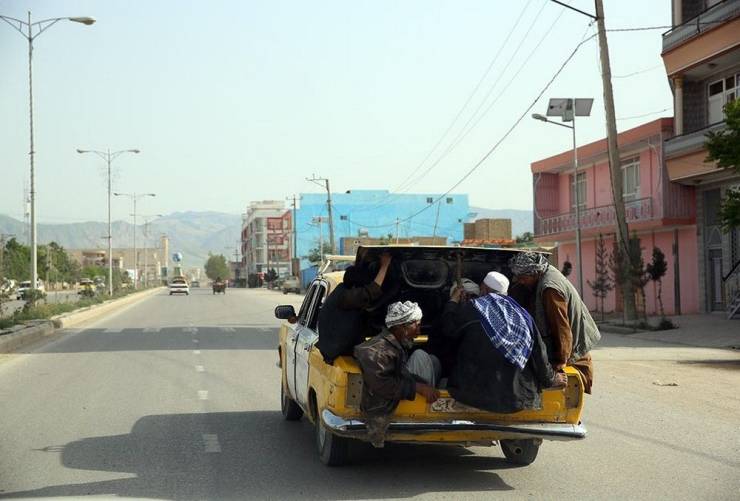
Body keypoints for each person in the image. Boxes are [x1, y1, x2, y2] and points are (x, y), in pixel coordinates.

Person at [440, 272, 564, 413]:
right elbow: (539, 354)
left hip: (472, 396)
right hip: (516, 399)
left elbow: (448, 331)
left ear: (484, 289)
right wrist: (551, 378)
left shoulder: (471, 309)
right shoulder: (523, 316)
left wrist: (453, 302)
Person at [508, 251, 600, 393]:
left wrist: (559, 364)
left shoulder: (550, 290)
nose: (519, 281)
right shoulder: (544, 271)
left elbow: (562, 329)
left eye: (522, 278)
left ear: (535, 273)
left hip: (571, 350)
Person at [354, 301, 440, 447]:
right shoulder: (378, 352)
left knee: (433, 362)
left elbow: (401, 374)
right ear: (401, 327)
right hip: (379, 410)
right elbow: (383, 385)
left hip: (391, 399)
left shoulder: (394, 345)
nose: (419, 331)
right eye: (416, 325)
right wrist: (418, 388)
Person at [316, 253, 392, 363]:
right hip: (338, 352)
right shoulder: (345, 297)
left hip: (337, 349)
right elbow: (371, 291)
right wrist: (384, 266)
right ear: (356, 286)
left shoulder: (341, 292)